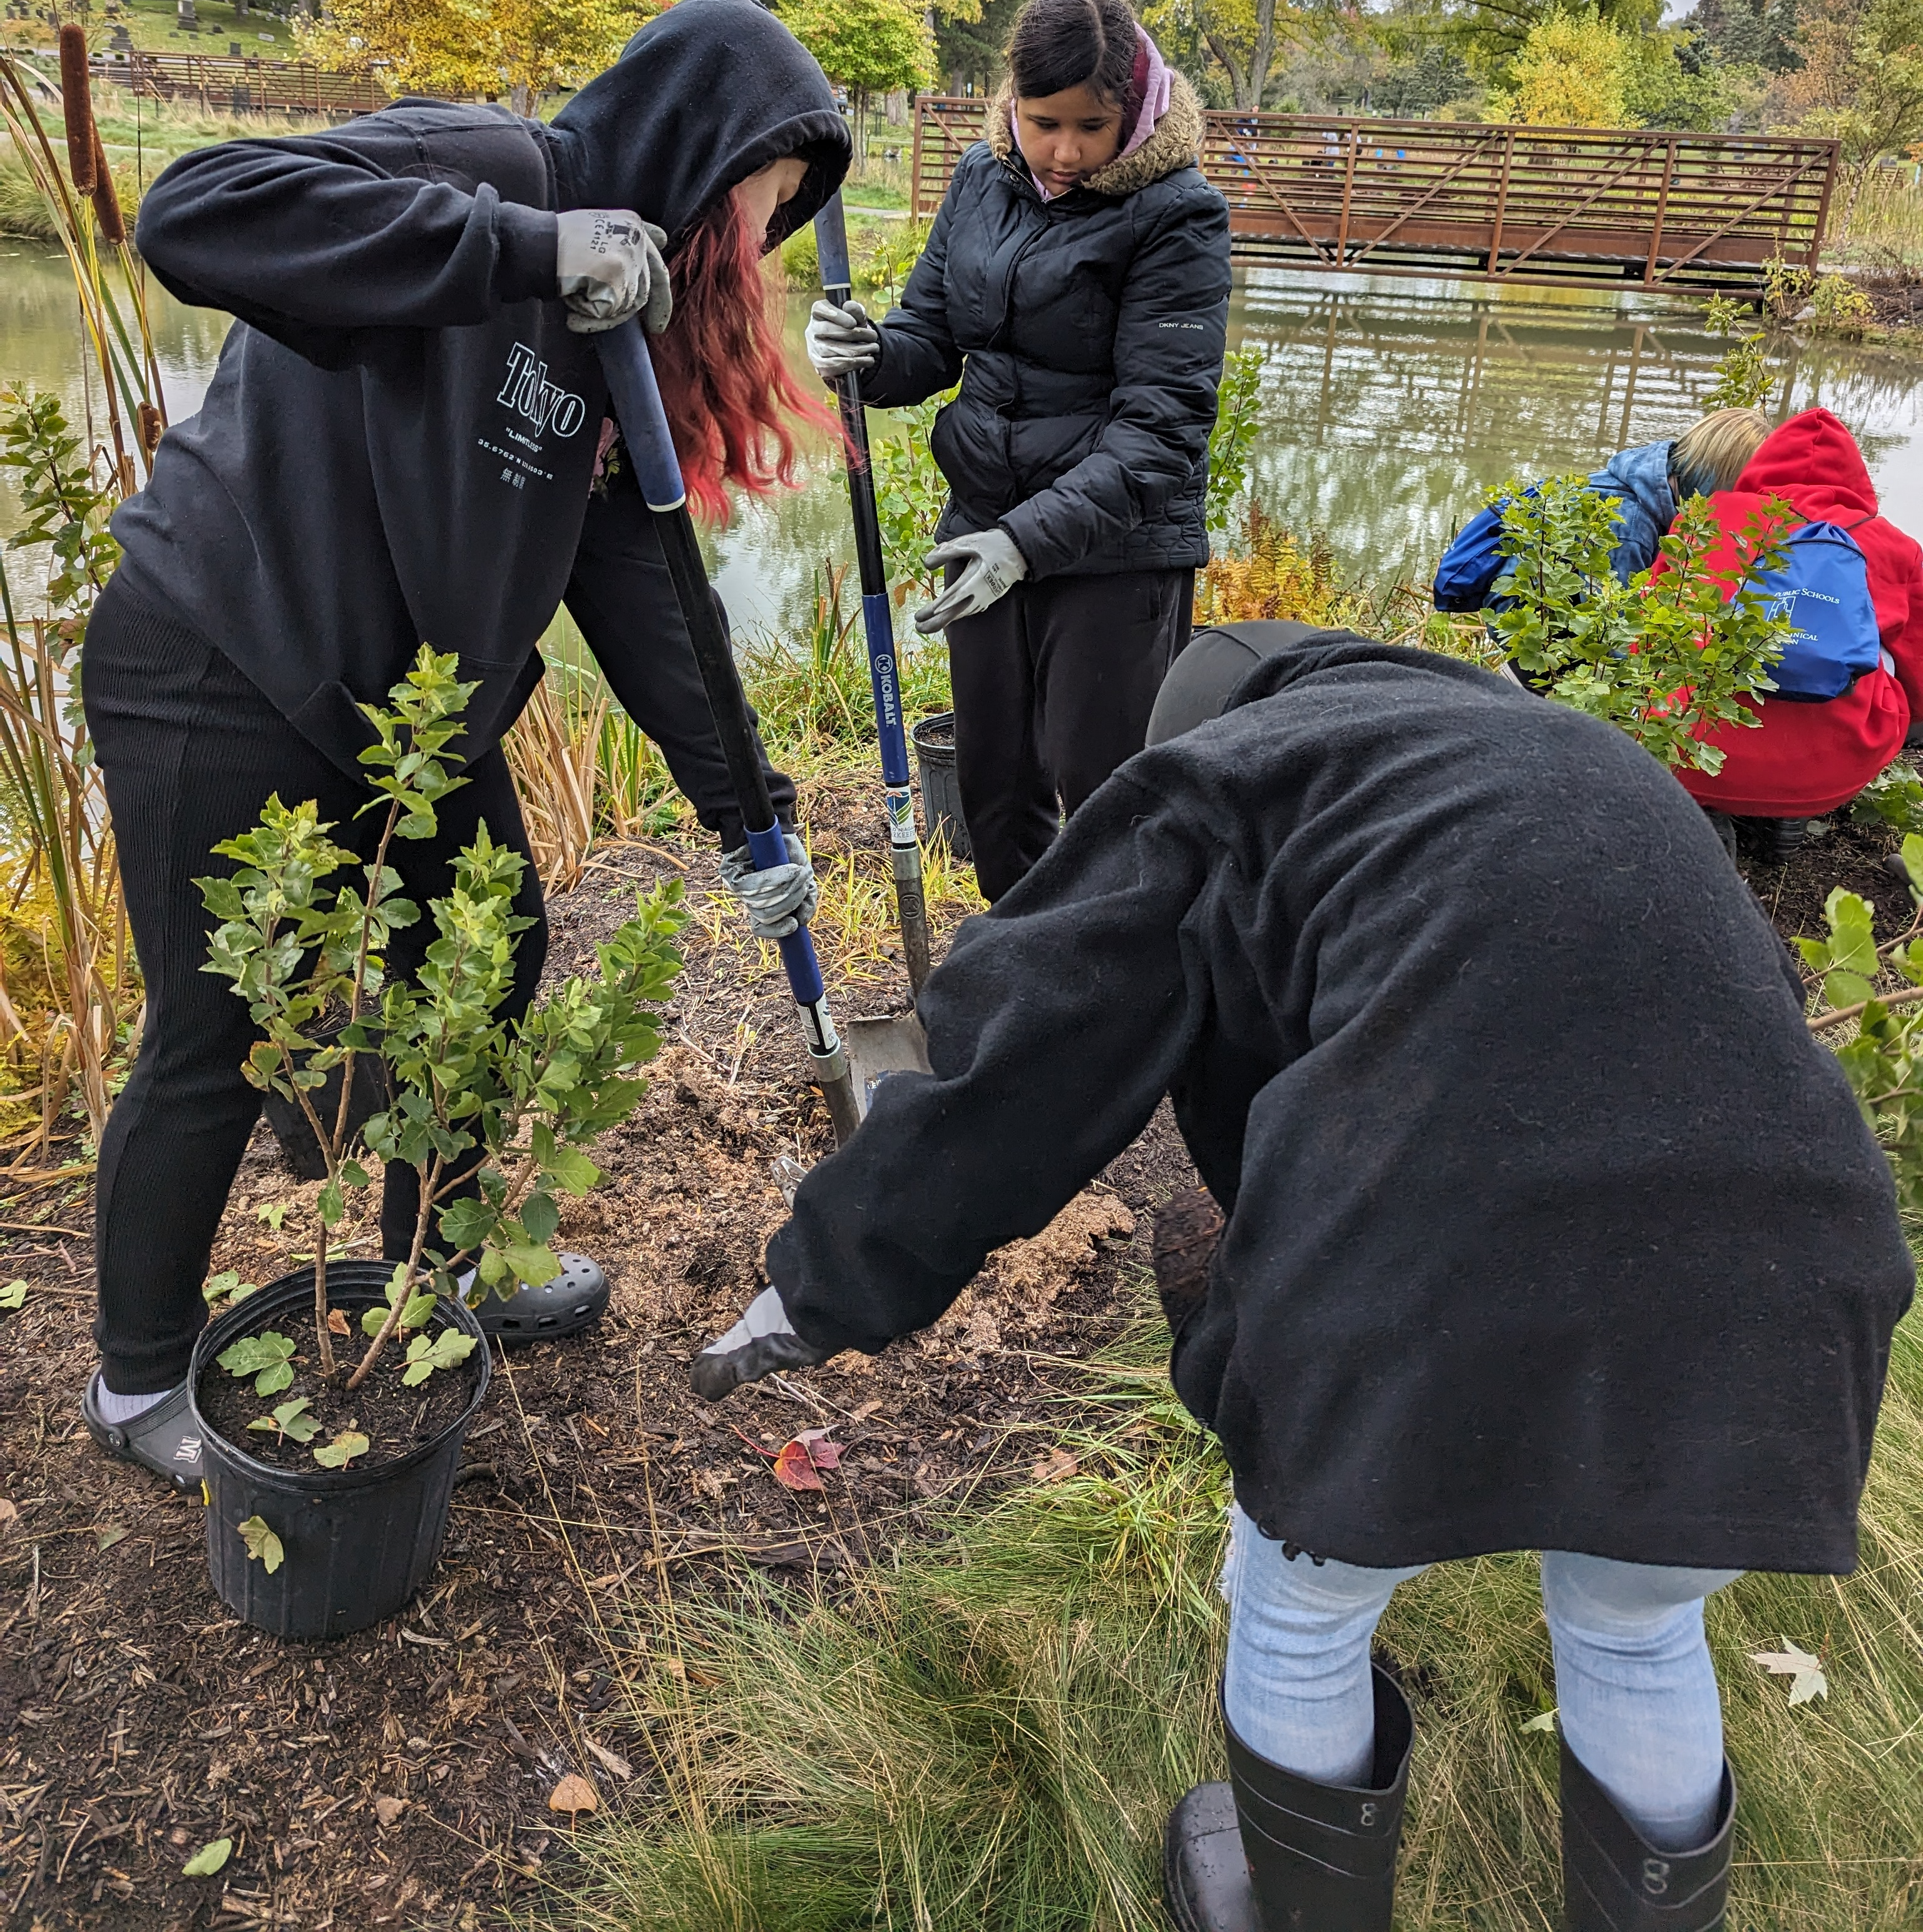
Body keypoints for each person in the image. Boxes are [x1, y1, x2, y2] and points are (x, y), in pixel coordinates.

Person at [690, 621, 1912, 1932]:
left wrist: (819, 1282)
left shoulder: (1229, 773)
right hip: (1786, 1255)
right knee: (1639, 1620)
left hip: (1422, 1238)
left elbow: (1024, 1054)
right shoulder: (1586, 757)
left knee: (1306, 1600)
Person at [81, 0, 851, 1491]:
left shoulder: (621, 353)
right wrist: (528, 252)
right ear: (685, 174)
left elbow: (647, 593)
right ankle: (132, 1378)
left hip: (403, 720)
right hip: (217, 652)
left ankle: (442, 1269)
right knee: (212, 1039)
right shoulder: (486, 174)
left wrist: (748, 815)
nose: (747, 259)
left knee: (485, 951)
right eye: (745, 215)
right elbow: (196, 209)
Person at [804, 0, 1232, 903]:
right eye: (1044, 122)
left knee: (1106, 790)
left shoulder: (1178, 214)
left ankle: (1125, 992)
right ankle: (1029, 977)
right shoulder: (981, 176)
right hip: (983, 523)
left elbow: (1161, 431)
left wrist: (1024, 544)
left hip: (1113, 547)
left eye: (1093, 124)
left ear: (1136, 104)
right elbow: (932, 338)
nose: (1067, 151)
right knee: (996, 786)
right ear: (1012, 99)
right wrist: (869, 355)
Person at [1664, 406, 1923, 860]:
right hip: (1835, 768)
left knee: (1682, 632)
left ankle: (1704, 806)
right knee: (1882, 657)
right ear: (1858, 479)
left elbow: (1645, 628)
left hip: (1691, 749)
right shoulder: (1896, 547)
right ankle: (1791, 802)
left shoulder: (1708, 516)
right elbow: (1919, 675)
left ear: (1762, 464)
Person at [1431, 404, 1772, 607]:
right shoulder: (1630, 526)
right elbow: (1614, 636)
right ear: (1718, 476)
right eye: (1739, 487)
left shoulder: (1642, 474)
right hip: (1532, 634)